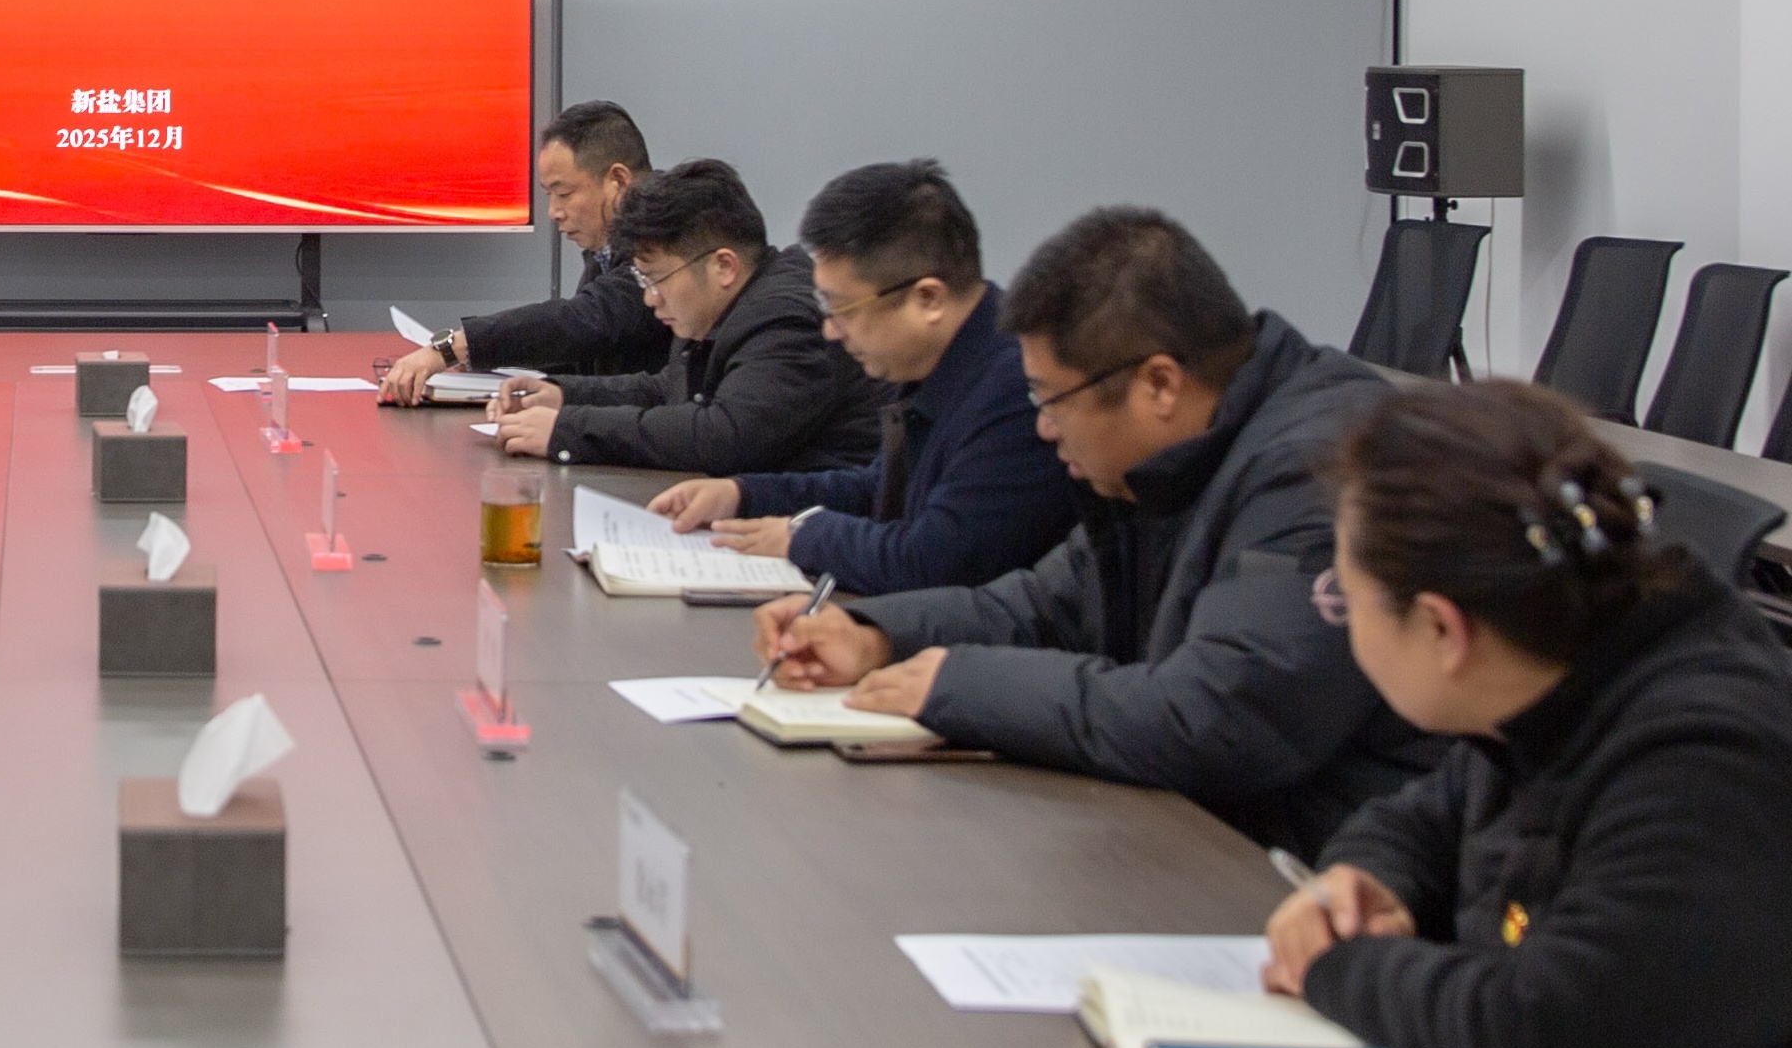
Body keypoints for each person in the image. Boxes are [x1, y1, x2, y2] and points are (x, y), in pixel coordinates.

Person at [754, 206, 1445, 852]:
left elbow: (1215, 721)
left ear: (1159, 385)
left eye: (1052, 400)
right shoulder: (1169, 459)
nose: (1044, 428)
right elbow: (1041, 606)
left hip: (1320, 872)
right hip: (1206, 838)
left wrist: (960, 686)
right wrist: (876, 635)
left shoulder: (1319, 473)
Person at [1263, 382, 1792, 1048]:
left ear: (1442, 628)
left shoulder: (1702, 757)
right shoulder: (1553, 674)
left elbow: (1558, 1041)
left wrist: (1336, 968)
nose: (1337, 616)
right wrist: (1368, 878)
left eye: (1345, 598)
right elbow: (1420, 818)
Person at [646, 161, 1076, 593]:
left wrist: (804, 537)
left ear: (928, 299)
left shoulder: (1015, 392)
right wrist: (743, 495)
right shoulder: (942, 362)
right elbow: (880, 488)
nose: (830, 330)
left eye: (841, 309)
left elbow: (933, 562)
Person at [488, 160, 883, 476]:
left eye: (657, 278)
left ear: (723, 267)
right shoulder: (724, 307)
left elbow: (724, 436)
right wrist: (562, 394)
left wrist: (569, 429)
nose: (649, 297)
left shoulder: (786, 320)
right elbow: (670, 389)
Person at [381, 100, 663, 403]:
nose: (554, 212)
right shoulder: (608, 243)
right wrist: (486, 361)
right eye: (549, 195)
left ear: (618, 180)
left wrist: (458, 347)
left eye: (565, 194)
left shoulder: (665, 234)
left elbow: (587, 320)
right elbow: (588, 350)